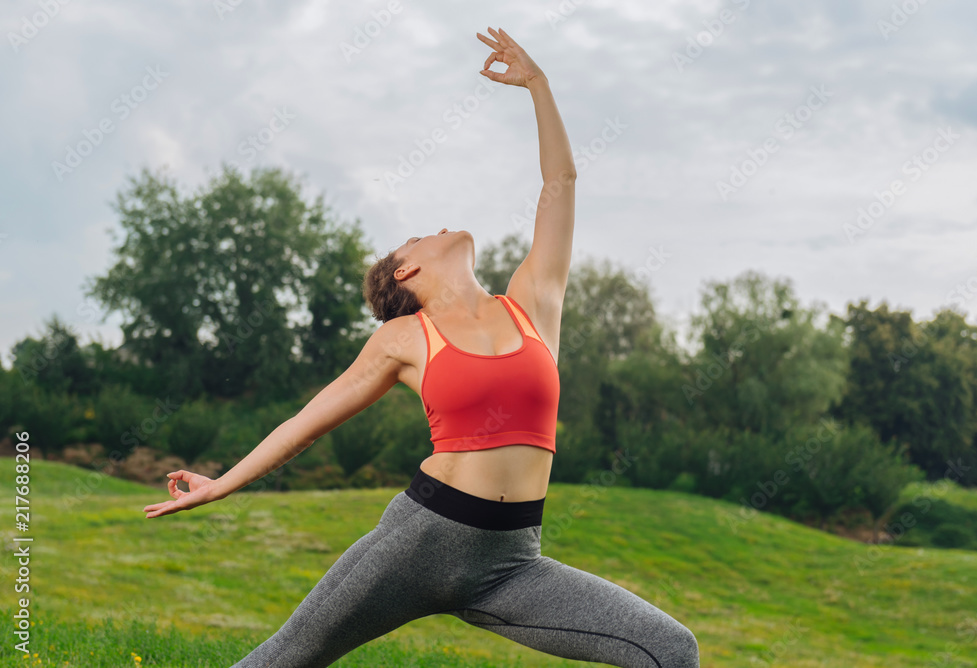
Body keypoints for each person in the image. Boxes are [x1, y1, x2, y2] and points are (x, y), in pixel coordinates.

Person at [142, 26, 700, 668]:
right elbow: (305, 423)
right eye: (416, 237)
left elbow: (562, 183)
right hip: (419, 540)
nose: (436, 229)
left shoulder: (533, 306)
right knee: (287, 658)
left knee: (667, 648)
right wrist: (222, 486)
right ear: (404, 274)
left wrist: (538, 86)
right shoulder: (405, 337)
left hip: (512, 560)